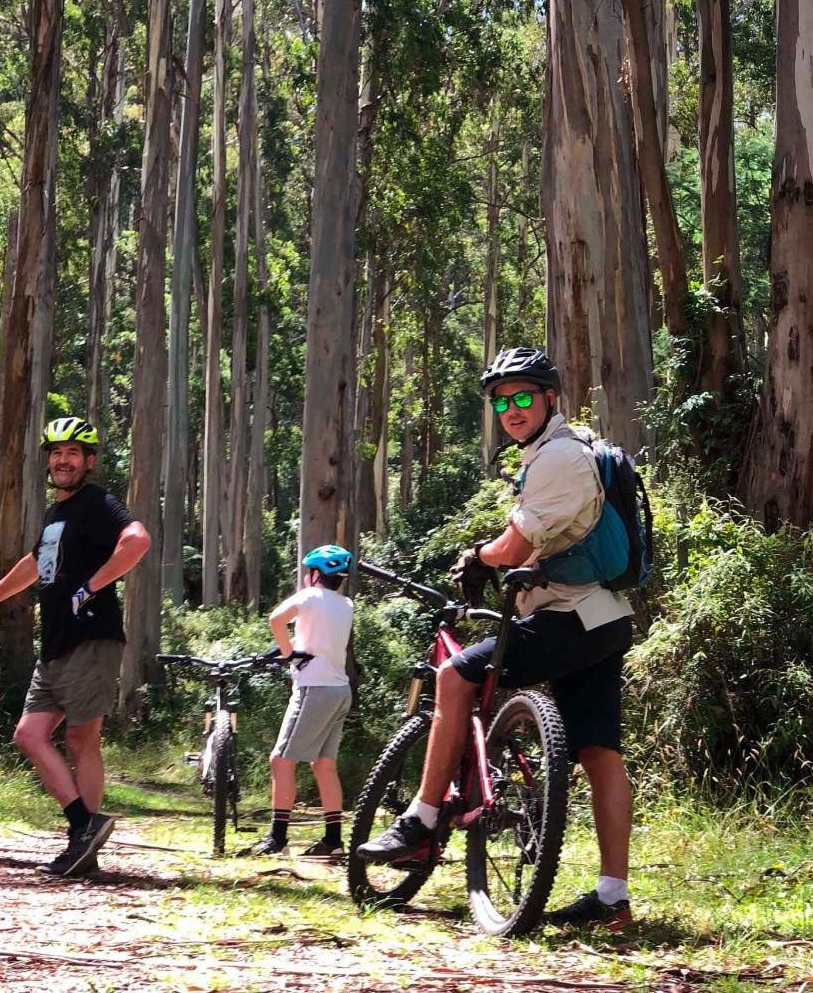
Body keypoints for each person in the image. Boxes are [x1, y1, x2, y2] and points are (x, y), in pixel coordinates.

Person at [355, 347, 637, 930]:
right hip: (604, 620)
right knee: (597, 751)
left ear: (549, 398)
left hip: (572, 618)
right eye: (501, 401)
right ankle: (612, 897)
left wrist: (478, 557)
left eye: (523, 396)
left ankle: (423, 817)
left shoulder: (558, 455)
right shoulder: (562, 450)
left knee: (454, 676)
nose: (511, 408)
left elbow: (512, 546)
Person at [0, 416, 151, 876]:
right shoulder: (56, 515)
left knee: (80, 739)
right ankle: (84, 824)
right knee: (28, 735)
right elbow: (34, 564)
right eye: (56, 453)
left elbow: (138, 540)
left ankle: (83, 846)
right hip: (56, 644)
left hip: (90, 636)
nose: (62, 460)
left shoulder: (97, 503)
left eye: (73, 453)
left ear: (88, 461)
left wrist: (93, 585)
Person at [251, 545, 355, 858]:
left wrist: (286, 653)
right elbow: (318, 640)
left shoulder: (309, 596)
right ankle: (333, 841)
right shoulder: (345, 604)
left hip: (314, 689)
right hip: (340, 691)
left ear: (313, 574)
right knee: (324, 766)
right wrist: (291, 647)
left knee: (281, 761)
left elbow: (276, 619)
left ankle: (277, 839)